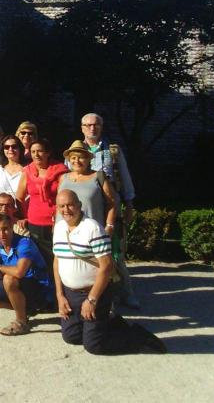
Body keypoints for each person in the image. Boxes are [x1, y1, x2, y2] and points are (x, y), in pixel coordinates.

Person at [52, 190, 166, 354]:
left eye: (70, 205)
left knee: (94, 345)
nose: (66, 210)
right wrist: (59, 295)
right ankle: (111, 323)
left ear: (79, 205)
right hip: (70, 293)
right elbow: (57, 261)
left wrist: (92, 300)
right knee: (71, 336)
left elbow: (107, 266)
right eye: (61, 206)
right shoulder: (59, 227)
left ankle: (138, 338)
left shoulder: (92, 228)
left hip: (94, 292)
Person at [79, 112, 139, 308]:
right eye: (88, 125)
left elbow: (125, 176)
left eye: (95, 125)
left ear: (101, 127)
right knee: (91, 253)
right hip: (86, 209)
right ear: (82, 128)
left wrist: (129, 203)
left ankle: (127, 293)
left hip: (110, 208)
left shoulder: (113, 151)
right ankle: (101, 295)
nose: (92, 128)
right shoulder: (76, 150)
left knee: (115, 252)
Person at [0, 213, 52, 336]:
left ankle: (21, 322)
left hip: (38, 289)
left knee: (9, 279)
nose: (2, 234)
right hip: (21, 287)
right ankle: (25, 308)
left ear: (12, 227)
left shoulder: (24, 243)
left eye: (5, 229)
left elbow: (20, 272)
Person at [16, 137, 67, 261]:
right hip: (34, 222)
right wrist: (24, 216)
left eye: (40, 151)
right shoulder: (27, 171)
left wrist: (59, 218)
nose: (36, 155)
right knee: (38, 259)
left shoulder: (60, 170)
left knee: (58, 257)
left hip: (56, 221)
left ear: (48, 152)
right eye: (33, 152)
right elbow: (19, 197)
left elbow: (65, 197)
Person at [58, 141, 117, 232]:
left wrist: (109, 225)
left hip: (91, 232)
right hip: (64, 231)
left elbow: (111, 203)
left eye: (81, 157)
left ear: (88, 159)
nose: (76, 161)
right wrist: (55, 225)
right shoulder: (63, 178)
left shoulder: (99, 177)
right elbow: (57, 205)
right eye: (73, 158)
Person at [0, 135, 25, 210]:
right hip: (1, 213)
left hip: (21, 213)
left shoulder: (27, 170)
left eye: (14, 146)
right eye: (6, 147)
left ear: (20, 149)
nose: (10, 149)